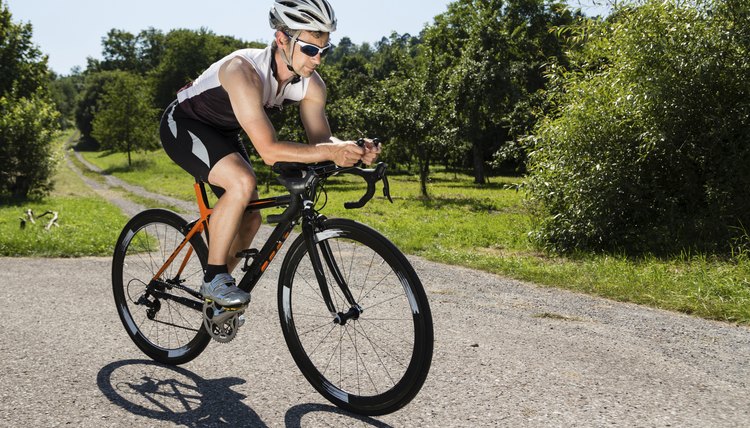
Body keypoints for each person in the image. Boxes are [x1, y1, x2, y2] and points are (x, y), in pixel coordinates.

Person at [159, 0, 380, 308]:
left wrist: (353, 148)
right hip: (184, 124)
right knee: (242, 182)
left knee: (251, 218)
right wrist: (330, 150)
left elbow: (321, 140)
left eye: (324, 50)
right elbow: (269, 151)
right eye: (310, 49)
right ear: (282, 40)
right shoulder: (243, 71)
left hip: (224, 132)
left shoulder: (311, 85)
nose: (318, 60)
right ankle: (214, 279)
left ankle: (215, 296)